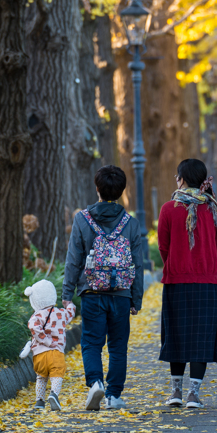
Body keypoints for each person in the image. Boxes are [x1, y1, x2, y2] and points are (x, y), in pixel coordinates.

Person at [63, 165, 147, 411]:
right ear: (122, 191)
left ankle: (95, 383)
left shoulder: (82, 219)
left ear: (96, 188)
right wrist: (136, 299)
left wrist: (67, 295)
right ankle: (113, 395)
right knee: (118, 345)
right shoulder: (131, 223)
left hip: (91, 292)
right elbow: (138, 265)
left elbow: (73, 260)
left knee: (90, 342)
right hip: (121, 294)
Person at [158, 159, 217, 409]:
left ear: (182, 178)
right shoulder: (214, 209)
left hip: (176, 280)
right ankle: (193, 395)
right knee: (202, 337)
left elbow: (163, 248)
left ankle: (175, 392)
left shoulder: (168, 208)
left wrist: (177, 262)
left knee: (176, 335)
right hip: (207, 281)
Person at [20, 279, 76, 411]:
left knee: (41, 377)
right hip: (56, 352)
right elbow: (70, 313)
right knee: (57, 375)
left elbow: (34, 328)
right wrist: (69, 304)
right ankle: (54, 394)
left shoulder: (36, 316)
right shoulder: (61, 313)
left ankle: (39, 401)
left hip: (39, 355)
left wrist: (44, 340)